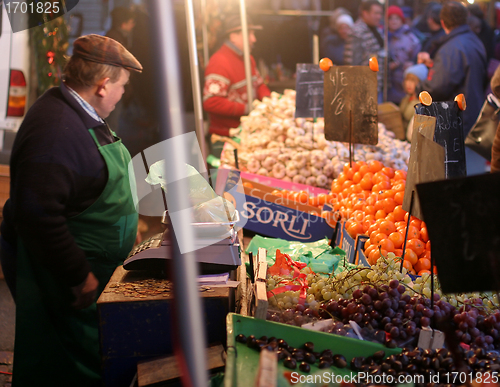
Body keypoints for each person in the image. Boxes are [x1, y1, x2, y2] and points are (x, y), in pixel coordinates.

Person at [0, 34, 142, 386]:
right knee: (63, 364)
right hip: (62, 277)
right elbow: (37, 215)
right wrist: (78, 275)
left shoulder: (79, 112)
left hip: (94, 272)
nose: (123, 93)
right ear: (103, 84)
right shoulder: (56, 130)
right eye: (122, 85)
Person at [203, 14, 271, 155]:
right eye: (249, 34)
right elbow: (211, 102)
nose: (254, 39)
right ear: (233, 36)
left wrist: (269, 103)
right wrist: (248, 108)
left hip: (247, 134)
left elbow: (259, 84)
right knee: (227, 177)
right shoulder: (219, 62)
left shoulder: (248, 58)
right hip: (224, 139)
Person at [417, 1, 487, 136]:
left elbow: (437, 87)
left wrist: (419, 88)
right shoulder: (474, 40)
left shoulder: (451, 49)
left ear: (442, 22)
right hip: (473, 110)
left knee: (452, 156)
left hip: (456, 117)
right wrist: (434, 65)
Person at [343, 0, 384, 101]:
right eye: (376, 13)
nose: (379, 16)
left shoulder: (376, 29)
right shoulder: (357, 32)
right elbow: (352, 62)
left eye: (380, 13)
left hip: (377, 84)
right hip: (364, 88)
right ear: (365, 13)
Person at [105, 6, 135, 132]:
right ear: (123, 24)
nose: (133, 25)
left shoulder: (115, 37)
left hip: (114, 87)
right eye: (131, 22)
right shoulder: (116, 41)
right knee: (112, 125)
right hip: (113, 87)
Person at [387, 5, 421, 105]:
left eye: (397, 18)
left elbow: (417, 58)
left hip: (403, 85)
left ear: (402, 20)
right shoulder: (383, 36)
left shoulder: (411, 39)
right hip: (387, 84)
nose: (393, 21)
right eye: (390, 18)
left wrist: (412, 64)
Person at [399, 64, 429, 140]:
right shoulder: (405, 99)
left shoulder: (422, 104)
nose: (409, 84)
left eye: (413, 81)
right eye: (407, 80)